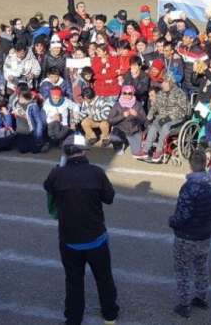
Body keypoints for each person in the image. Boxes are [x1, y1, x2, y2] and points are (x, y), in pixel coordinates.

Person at [44, 139, 119, 325]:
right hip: (96, 238)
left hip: (69, 239)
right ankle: (109, 314)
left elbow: (48, 188)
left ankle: (73, 318)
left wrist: (59, 167)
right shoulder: (96, 173)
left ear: (65, 153)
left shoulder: (56, 174)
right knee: (104, 277)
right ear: (84, 151)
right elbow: (109, 198)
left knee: (73, 280)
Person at [168, 150, 211, 318]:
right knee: (201, 266)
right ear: (205, 164)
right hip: (204, 234)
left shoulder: (189, 187)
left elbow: (183, 215)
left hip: (187, 236)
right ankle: (201, 297)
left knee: (183, 270)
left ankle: (184, 305)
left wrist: (172, 221)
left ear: (190, 164)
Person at [139, 77, 188, 163]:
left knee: (165, 126)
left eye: (165, 82)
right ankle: (146, 150)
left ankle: (159, 151)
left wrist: (168, 118)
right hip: (162, 117)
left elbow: (182, 110)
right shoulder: (161, 93)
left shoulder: (180, 94)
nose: (162, 84)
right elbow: (155, 106)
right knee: (153, 127)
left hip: (176, 119)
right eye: (162, 82)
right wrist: (149, 117)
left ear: (171, 83)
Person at [107, 85, 147, 156]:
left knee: (136, 152)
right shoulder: (117, 105)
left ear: (133, 94)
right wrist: (123, 116)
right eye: (125, 93)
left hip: (134, 130)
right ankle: (118, 147)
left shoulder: (138, 105)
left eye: (129, 93)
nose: (127, 95)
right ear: (122, 93)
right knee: (114, 137)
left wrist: (136, 115)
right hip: (120, 129)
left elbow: (144, 120)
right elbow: (110, 120)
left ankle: (128, 141)